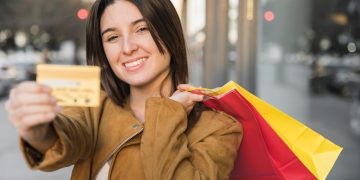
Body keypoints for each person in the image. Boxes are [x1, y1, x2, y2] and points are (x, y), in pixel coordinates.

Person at [5, 0, 243, 179]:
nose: (127, 48)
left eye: (142, 29)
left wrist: (168, 114)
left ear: (169, 32)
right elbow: (66, 135)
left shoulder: (219, 128)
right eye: (112, 37)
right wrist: (38, 132)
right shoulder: (95, 106)